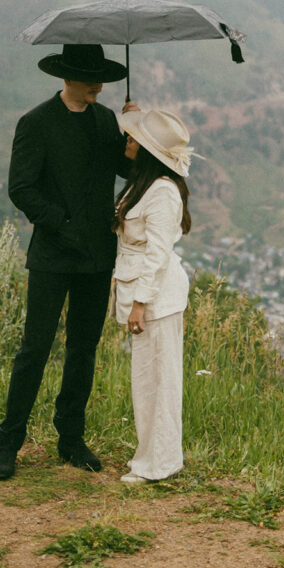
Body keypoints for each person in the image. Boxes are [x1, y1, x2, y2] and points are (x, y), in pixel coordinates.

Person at [0, 43, 135, 481]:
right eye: (89, 76)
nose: (98, 84)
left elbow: (122, 173)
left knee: (83, 350)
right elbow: (21, 188)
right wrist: (63, 223)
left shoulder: (107, 119)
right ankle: (8, 444)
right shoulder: (36, 123)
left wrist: (133, 139)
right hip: (53, 254)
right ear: (66, 77)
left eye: (101, 76)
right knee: (34, 351)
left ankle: (70, 439)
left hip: (96, 255)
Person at [112, 108, 194, 483]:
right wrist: (133, 114)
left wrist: (140, 303)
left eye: (133, 138)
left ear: (146, 149)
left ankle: (158, 464)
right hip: (144, 294)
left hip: (156, 299)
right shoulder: (143, 182)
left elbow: (157, 254)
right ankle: (153, 459)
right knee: (146, 381)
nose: (126, 142)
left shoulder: (161, 191)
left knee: (159, 382)